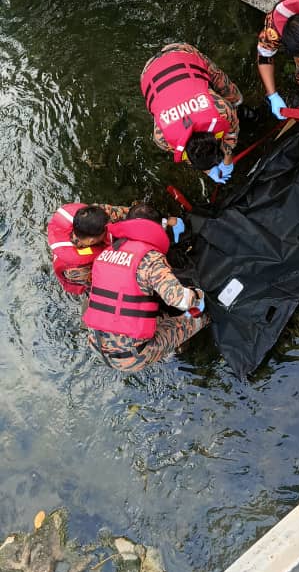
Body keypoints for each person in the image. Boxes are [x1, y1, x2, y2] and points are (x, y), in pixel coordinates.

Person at [83, 201, 209, 371]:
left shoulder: (107, 253)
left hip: (95, 342)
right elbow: (181, 300)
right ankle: (170, 350)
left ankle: (162, 341)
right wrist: (198, 296)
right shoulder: (150, 259)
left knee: (159, 314)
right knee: (200, 317)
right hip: (131, 357)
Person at [140, 42, 244, 183]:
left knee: (234, 98)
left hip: (167, 62)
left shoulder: (221, 109)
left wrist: (227, 160)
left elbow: (231, 133)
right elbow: (189, 154)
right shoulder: (161, 137)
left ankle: (239, 104)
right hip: (159, 66)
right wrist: (208, 169)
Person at [47, 202, 130, 295]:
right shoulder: (76, 271)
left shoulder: (98, 213)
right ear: (91, 241)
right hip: (83, 277)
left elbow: (129, 213)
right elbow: (101, 282)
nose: (108, 229)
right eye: (106, 230)